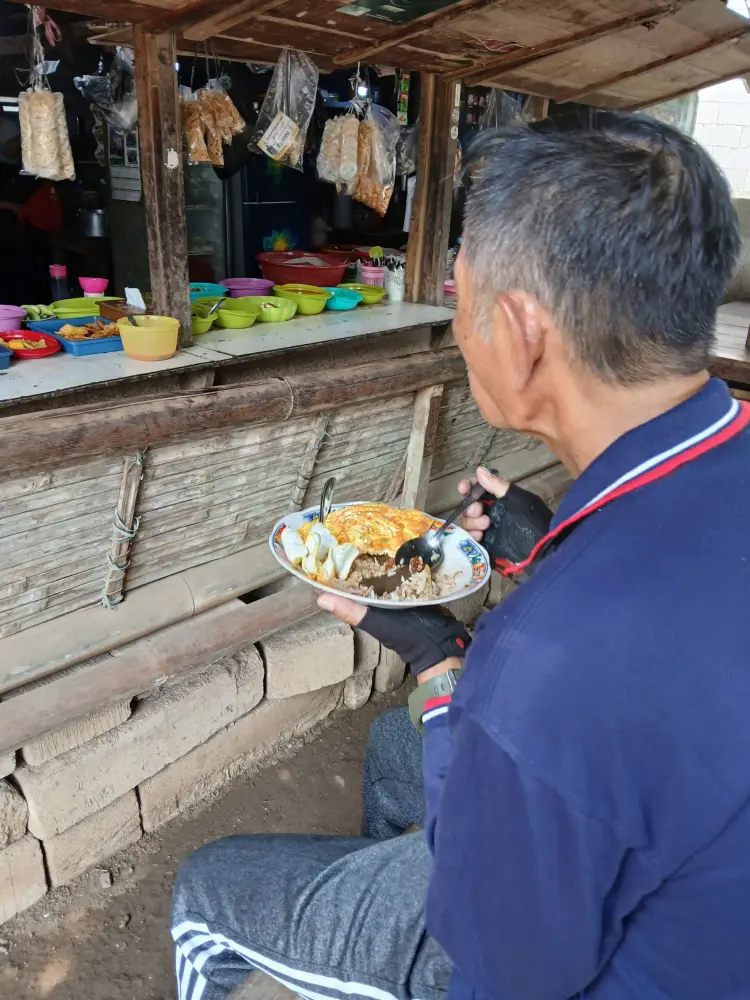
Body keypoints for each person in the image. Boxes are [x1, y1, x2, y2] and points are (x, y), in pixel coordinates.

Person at [171, 110, 750, 1000]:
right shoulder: (721, 450)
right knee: (399, 756)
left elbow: (506, 974)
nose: (455, 325)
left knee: (210, 885)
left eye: (457, 296)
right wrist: (541, 538)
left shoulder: (551, 664)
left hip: (577, 964)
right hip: (691, 865)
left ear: (519, 333)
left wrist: (436, 658)